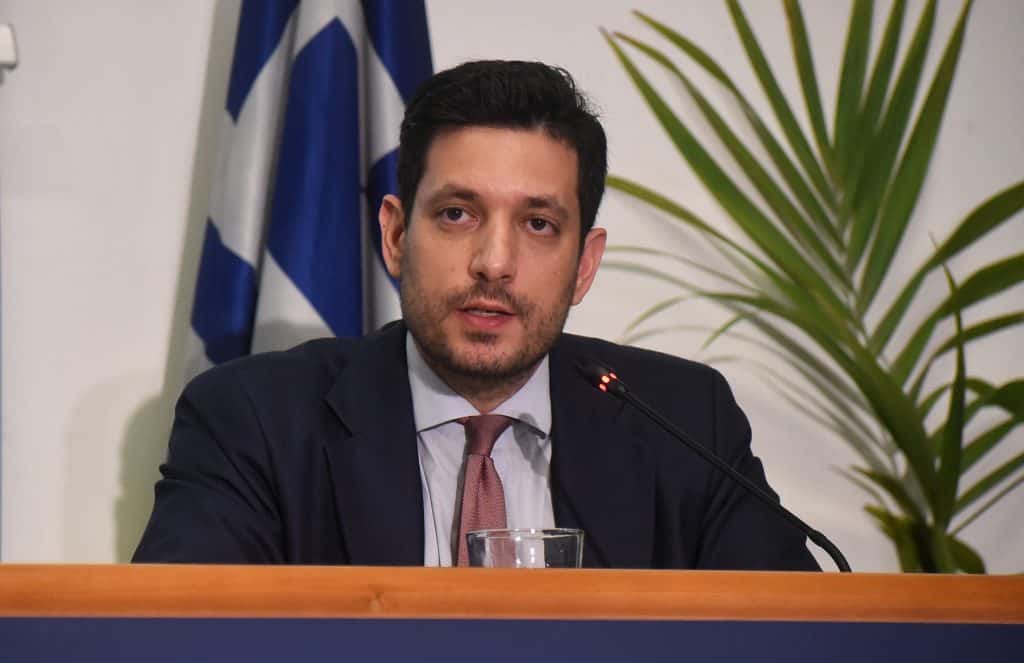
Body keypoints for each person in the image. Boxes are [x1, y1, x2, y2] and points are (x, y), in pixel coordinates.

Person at [133, 60, 818, 570]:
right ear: (395, 235)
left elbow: (792, 653)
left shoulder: (686, 423)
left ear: (584, 264)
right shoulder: (254, 422)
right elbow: (177, 652)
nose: (494, 262)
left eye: (539, 224)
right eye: (458, 214)